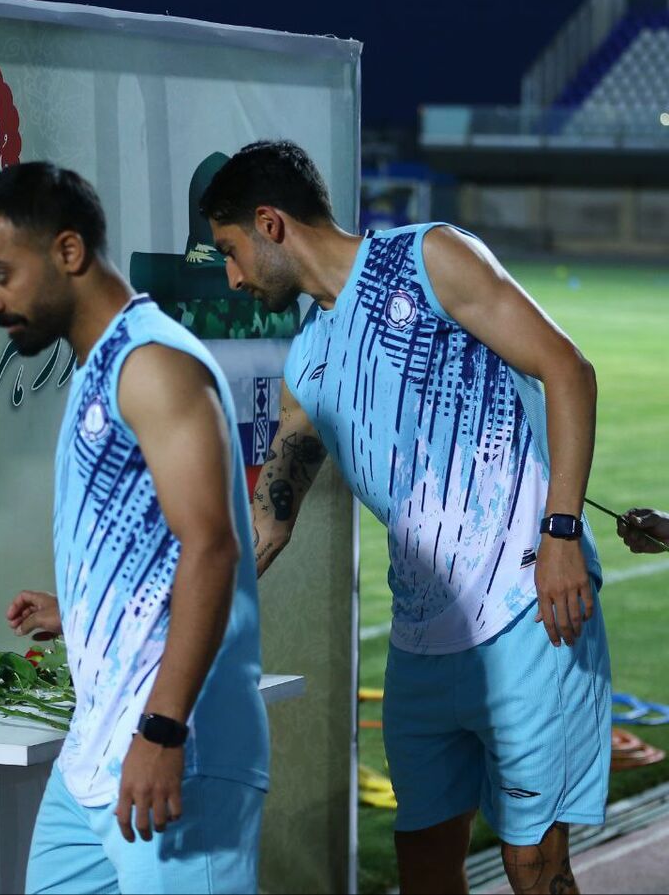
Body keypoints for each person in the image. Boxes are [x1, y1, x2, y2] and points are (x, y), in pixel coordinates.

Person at [201, 141, 610, 895]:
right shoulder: (307, 363)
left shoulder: (428, 258)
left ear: (270, 223)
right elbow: (265, 525)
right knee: (424, 867)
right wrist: (141, 610)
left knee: (534, 866)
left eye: (230, 250)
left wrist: (559, 535)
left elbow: (568, 370)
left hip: (527, 612)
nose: (232, 275)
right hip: (422, 645)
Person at [0, 162, 269, 895]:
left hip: (176, 747)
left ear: (68, 250)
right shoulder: (99, 365)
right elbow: (151, 541)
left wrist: (164, 729)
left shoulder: (154, 365)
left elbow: (212, 547)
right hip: (94, 756)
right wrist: (84, 612)